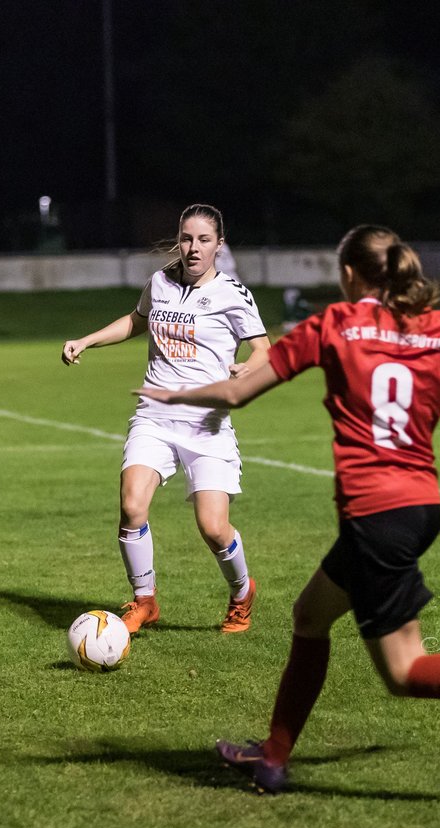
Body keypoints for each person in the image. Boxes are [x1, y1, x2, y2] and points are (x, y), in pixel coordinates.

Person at [138, 225, 440, 793]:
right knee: (309, 616)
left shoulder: (333, 325)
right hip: (419, 507)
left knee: (404, 671)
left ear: (350, 274)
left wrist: (174, 395)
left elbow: (236, 392)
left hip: (375, 515)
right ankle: (274, 758)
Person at [62, 204, 270, 634]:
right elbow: (136, 322)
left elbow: (264, 348)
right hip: (155, 416)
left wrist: (249, 367)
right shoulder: (159, 283)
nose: (194, 248)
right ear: (179, 239)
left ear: (219, 245)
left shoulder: (233, 292)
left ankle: (241, 592)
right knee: (132, 504)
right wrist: (87, 340)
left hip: (207, 423)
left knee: (213, 528)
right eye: (187, 238)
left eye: (204, 240)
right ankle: (144, 601)